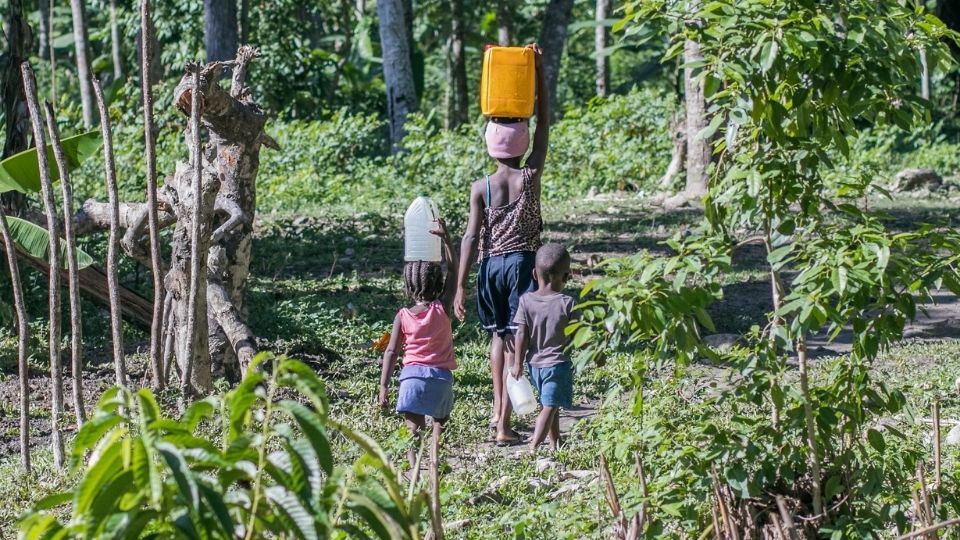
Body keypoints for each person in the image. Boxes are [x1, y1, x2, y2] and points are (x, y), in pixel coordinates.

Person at [455, 44, 550, 447]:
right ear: (523, 140)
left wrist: (459, 285)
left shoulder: (482, 188)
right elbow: (545, 122)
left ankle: (499, 416)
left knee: (498, 338)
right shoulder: (529, 177)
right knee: (518, 342)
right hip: (521, 266)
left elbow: (471, 237)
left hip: (489, 268)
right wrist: (538, 74)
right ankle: (505, 422)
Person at [379, 218, 459, 469]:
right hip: (440, 379)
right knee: (439, 422)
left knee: (412, 430)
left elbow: (391, 351)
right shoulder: (442, 308)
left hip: (411, 378)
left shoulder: (402, 315)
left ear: (408, 286)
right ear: (437, 284)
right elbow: (455, 272)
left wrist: (383, 386)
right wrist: (446, 240)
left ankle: (414, 470)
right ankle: (435, 463)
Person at [511, 243, 575, 454]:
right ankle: (533, 447)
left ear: (533, 274)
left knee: (551, 405)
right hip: (558, 365)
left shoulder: (526, 301)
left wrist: (517, 363)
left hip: (534, 365)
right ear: (567, 276)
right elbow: (581, 335)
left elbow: (521, 333)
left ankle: (555, 442)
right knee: (549, 406)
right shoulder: (568, 303)